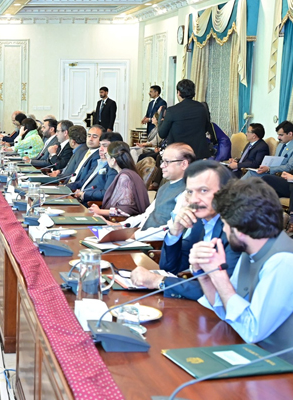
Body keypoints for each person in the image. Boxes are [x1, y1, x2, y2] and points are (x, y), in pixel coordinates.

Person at [191, 178, 293, 361]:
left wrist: (219, 274)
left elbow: (252, 330)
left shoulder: (283, 261)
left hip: (280, 369)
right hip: (253, 354)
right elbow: (228, 309)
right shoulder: (251, 249)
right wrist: (204, 274)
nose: (224, 230)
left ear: (240, 231)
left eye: (225, 224)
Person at [131, 160, 239, 300]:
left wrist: (159, 281)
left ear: (225, 193)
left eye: (203, 191)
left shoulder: (234, 229)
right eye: (189, 192)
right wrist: (175, 232)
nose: (194, 199)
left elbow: (221, 291)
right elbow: (170, 268)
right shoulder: (199, 222)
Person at [116, 143, 196, 240]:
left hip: (153, 244)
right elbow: (146, 215)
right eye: (162, 161)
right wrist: (120, 225)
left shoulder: (188, 192)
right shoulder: (165, 186)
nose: (161, 166)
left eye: (167, 162)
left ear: (183, 164)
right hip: (140, 237)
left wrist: (135, 236)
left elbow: (172, 230)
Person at [88, 141, 149, 217]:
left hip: (120, 221)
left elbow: (124, 211)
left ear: (113, 160)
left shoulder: (124, 178)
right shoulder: (128, 173)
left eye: (107, 156)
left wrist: (99, 211)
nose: (106, 158)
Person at [158, 79, 212, 160]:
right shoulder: (202, 108)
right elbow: (206, 128)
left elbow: (162, 133)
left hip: (179, 154)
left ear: (179, 92)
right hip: (199, 153)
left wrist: (160, 119)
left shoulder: (172, 111)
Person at [75, 132, 122, 204]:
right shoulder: (97, 162)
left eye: (105, 146)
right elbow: (84, 182)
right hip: (78, 199)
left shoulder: (114, 168)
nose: (100, 149)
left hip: (90, 205)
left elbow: (106, 193)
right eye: (100, 145)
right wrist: (65, 187)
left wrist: (84, 194)